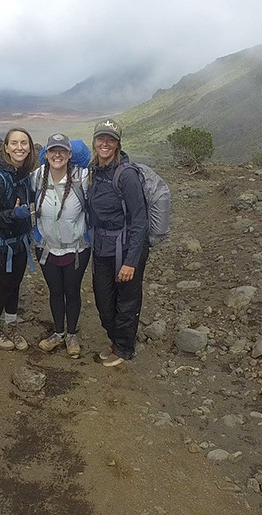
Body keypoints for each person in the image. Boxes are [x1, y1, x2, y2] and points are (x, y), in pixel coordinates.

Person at [86, 119, 148, 367]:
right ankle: (116, 339)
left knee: (127, 300)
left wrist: (131, 261)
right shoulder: (94, 171)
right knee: (104, 300)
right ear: (94, 141)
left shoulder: (127, 175)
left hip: (126, 248)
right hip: (101, 247)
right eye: (101, 138)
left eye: (110, 139)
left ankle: (123, 349)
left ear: (118, 144)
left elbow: (140, 220)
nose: (105, 143)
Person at [30, 133, 90, 358]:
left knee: (72, 291)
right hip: (46, 247)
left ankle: (71, 334)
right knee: (55, 291)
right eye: (53, 150)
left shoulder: (82, 177)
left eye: (62, 151)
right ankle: (58, 332)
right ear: (46, 154)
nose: (57, 155)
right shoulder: (37, 177)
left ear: (70, 154)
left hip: (77, 249)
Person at [0, 127, 39, 351]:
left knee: (15, 286)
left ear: (30, 147)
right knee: (5, 288)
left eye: (24, 143)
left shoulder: (22, 175)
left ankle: (12, 327)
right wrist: (13, 214)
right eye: (14, 143)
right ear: (6, 147)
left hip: (20, 243)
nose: (19, 147)